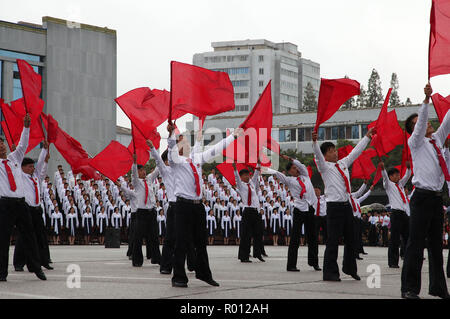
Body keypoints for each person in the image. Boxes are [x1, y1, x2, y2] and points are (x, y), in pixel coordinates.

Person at [168, 123, 240, 288]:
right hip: (183, 206)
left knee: (201, 242)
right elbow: (171, 150)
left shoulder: (196, 158)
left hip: (198, 206)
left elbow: (215, 149)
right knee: (181, 241)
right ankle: (179, 277)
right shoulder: (176, 161)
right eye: (183, 142)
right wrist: (172, 134)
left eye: (186, 141)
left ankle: (204, 274)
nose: (186, 143)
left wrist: (232, 136)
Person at [400, 84, 450, 299]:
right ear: (413, 130)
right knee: (416, 245)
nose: (426, 123)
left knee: (436, 247)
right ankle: (410, 289)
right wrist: (426, 101)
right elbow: (420, 125)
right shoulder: (416, 142)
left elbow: (447, 121)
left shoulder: (436, 140)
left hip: (436, 199)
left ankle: (438, 287)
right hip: (420, 198)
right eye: (418, 123)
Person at [312, 126, 374, 281]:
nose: (335, 152)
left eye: (335, 150)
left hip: (346, 207)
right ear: (325, 155)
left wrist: (367, 137)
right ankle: (330, 273)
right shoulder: (324, 167)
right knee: (333, 241)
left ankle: (349, 268)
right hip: (333, 208)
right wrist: (314, 143)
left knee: (352, 239)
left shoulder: (343, 163)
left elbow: (356, 152)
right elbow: (318, 157)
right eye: (331, 151)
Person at [0, 114, 46, 281]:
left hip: (21, 203)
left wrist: (26, 127)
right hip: (4, 204)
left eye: (2, 143)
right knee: (3, 239)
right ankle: (2, 273)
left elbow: (22, 145)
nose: (1, 147)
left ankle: (36, 267)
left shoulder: (14, 159)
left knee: (29, 236)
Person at [264, 155, 320, 272]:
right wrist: (264, 167)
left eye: (296, 167)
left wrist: (291, 159)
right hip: (299, 209)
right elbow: (277, 174)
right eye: (294, 168)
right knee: (295, 238)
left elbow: (302, 166)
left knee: (313, 237)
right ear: (290, 171)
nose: (297, 169)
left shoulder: (305, 176)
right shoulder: (289, 180)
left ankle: (314, 262)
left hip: (310, 208)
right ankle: (291, 265)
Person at [14, 140, 53, 272]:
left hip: (37, 210)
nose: (32, 168)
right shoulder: (20, 176)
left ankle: (44, 261)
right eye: (29, 166)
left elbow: (41, 165)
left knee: (41, 237)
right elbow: (16, 162)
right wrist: (16, 153)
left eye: (32, 166)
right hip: (26, 209)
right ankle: (19, 263)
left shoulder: (35, 177)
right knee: (23, 237)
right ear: (23, 167)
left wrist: (44, 151)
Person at [131, 155, 160, 267]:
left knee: (154, 237)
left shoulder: (148, 179)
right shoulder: (136, 182)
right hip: (141, 213)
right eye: (140, 170)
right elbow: (133, 174)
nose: (143, 172)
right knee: (138, 238)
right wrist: (134, 163)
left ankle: (156, 258)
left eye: (143, 169)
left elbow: (157, 170)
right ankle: (137, 260)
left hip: (151, 212)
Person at [233, 163, 264, 263]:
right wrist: (235, 169)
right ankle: (244, 256)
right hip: (247, 211)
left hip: (256, 211)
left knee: (258, 233)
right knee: (246, 235)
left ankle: (258, 253)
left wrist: (258, 164)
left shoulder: (252, 184)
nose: (247, 176)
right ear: (241, 177)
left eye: (248, 175)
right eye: (244, 175)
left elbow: (255, 175)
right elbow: (237, 178)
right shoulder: (241, 186)